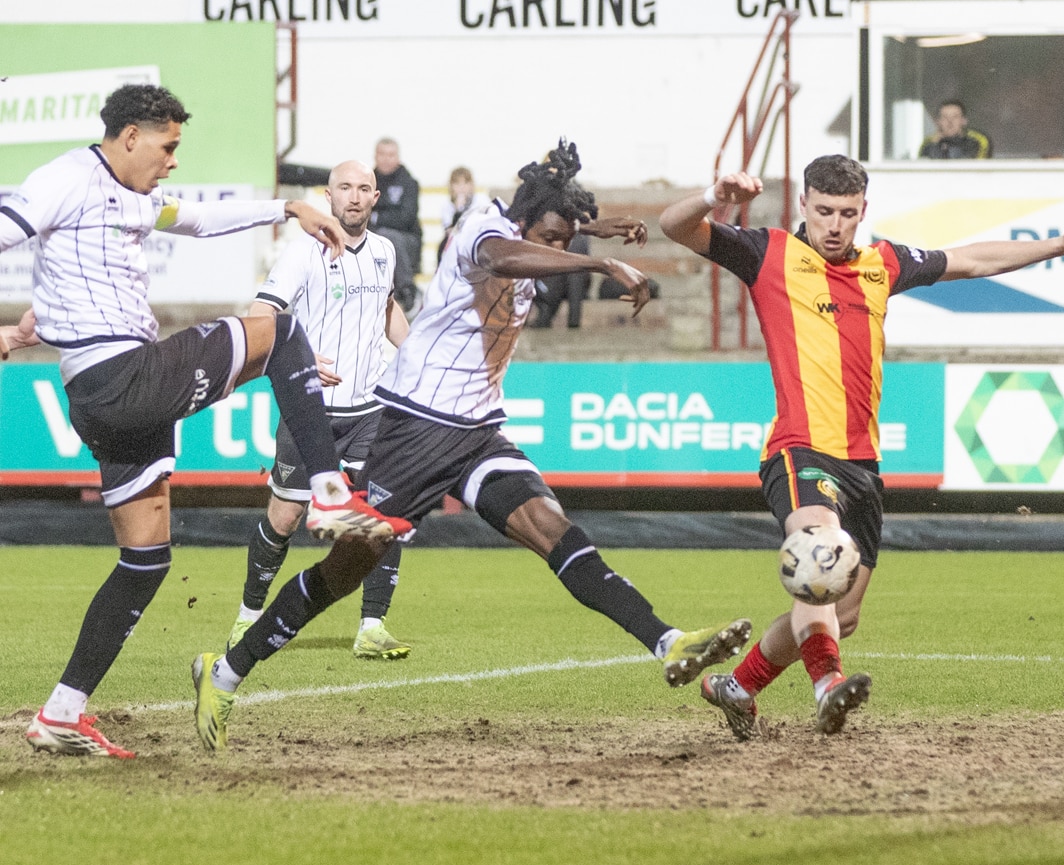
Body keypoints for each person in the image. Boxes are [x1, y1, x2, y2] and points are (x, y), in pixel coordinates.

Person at [191, 141, 751, 750]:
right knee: (345, 571)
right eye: (553, 237)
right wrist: (598, 264)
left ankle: (668, 642)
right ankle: (224, 673)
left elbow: (540, 232)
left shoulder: (530, 228)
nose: (559, 247)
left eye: (565, 239)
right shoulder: (483, 229)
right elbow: (503, 253)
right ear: (525, 222)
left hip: (478, 432)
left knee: (554, 529)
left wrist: (592, 228)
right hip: (414, 427)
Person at [0, 84, 405, 759]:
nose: (174, 160)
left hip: (106, 398)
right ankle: (331, 495)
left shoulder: (133, 195)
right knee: (282, 331)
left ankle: (62, 714)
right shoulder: (65, 179)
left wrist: (288, 208)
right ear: (131, 136)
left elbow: (195, 219)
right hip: (125, 378)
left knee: (146, 560)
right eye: (168, 146)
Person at [661, 155, 1064, 739]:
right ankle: (828, 686)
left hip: (862, 466)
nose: (834, 225)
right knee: (820, 555)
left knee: (842, 613)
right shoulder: (767, 253)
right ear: (803, 205)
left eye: (846, 214)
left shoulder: (883, 264)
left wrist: (1059, 245)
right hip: (799, 451)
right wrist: (713, 196)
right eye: (824, 211)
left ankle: (739, 687)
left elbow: (971, 260)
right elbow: (676, 227)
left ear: (863, 212)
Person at [229, 160, 414, 661]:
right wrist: (301, 358)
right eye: (344, 188)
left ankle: (372, 626)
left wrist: (417, 355)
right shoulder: (304, 252)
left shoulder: (385, 251)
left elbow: (387, 309)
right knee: (285, 517)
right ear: (328, 197)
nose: (354, 196)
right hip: (310, 411)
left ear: (375, 197)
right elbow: (261, 314)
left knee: (382, 514)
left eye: (363, 188)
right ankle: (248, 615)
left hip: (371, 408)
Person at [372, 138, 421, 313]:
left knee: (389, 236)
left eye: (390, 155)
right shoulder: (367, 182)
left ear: (398, 157)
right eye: (382, 154)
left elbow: (406, 219)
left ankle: (407, 291)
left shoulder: (409, 183)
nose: (386, 159)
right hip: (374, 238)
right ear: (375, 156)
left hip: (406, 242)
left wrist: (375, 217)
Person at [437, 166, 488, 264]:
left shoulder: (481, 201)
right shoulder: (447, 206)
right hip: (457, 242)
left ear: (471, 185)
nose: (462, 188)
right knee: (443, 245)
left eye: (465, 183)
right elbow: (450, 232)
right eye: (457, 184)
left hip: (477, 240)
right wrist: (459, 210)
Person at [918, 100, 992, 160]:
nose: (950, 121)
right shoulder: (928, 143)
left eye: (955, 117)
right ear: (938, 121)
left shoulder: (977, 140)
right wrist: (935, 145)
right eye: (945, 117)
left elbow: (973, 165)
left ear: (964, 121)